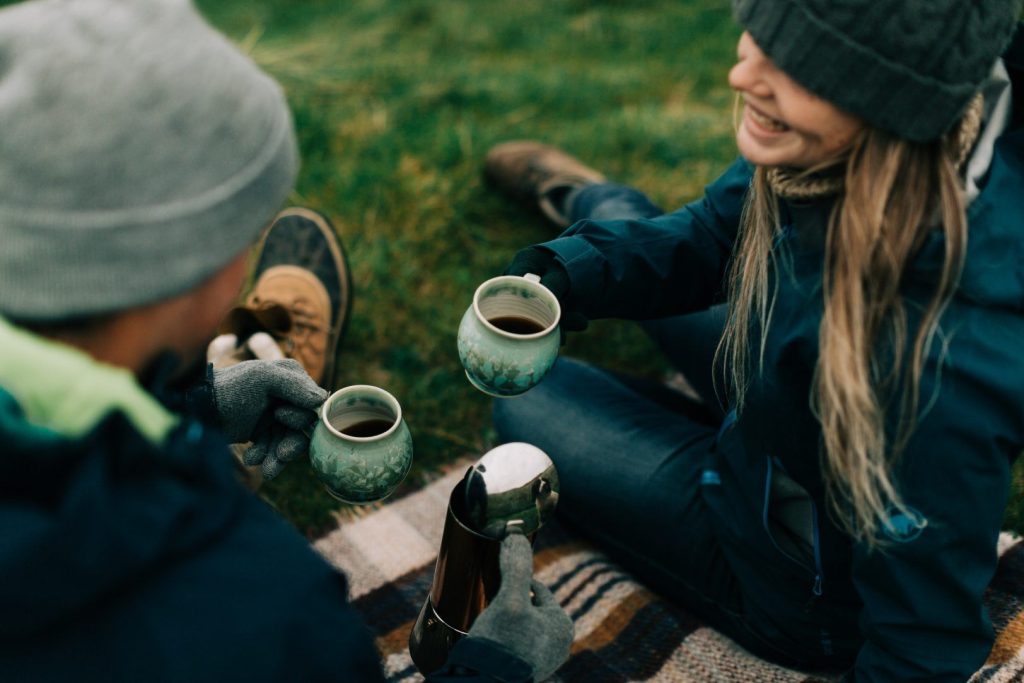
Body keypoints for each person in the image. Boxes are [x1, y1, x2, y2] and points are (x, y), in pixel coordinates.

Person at [0, 0, 572, 681]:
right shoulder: (275, 620)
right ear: (198, 271)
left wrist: (196, 405)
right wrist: (497, 665)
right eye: (247, 231)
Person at [486, 1, 1024, 680]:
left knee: (531, 401)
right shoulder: (846, 141)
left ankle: (598, 205)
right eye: (762, 36)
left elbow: (923, 642)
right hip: (778, 372)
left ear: (889, 95)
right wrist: (559, 277)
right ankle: (586, 201)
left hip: (779, 571)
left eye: (794, 61)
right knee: (639, 243)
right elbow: (717, 235)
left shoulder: (938, 369)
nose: (742, 72)